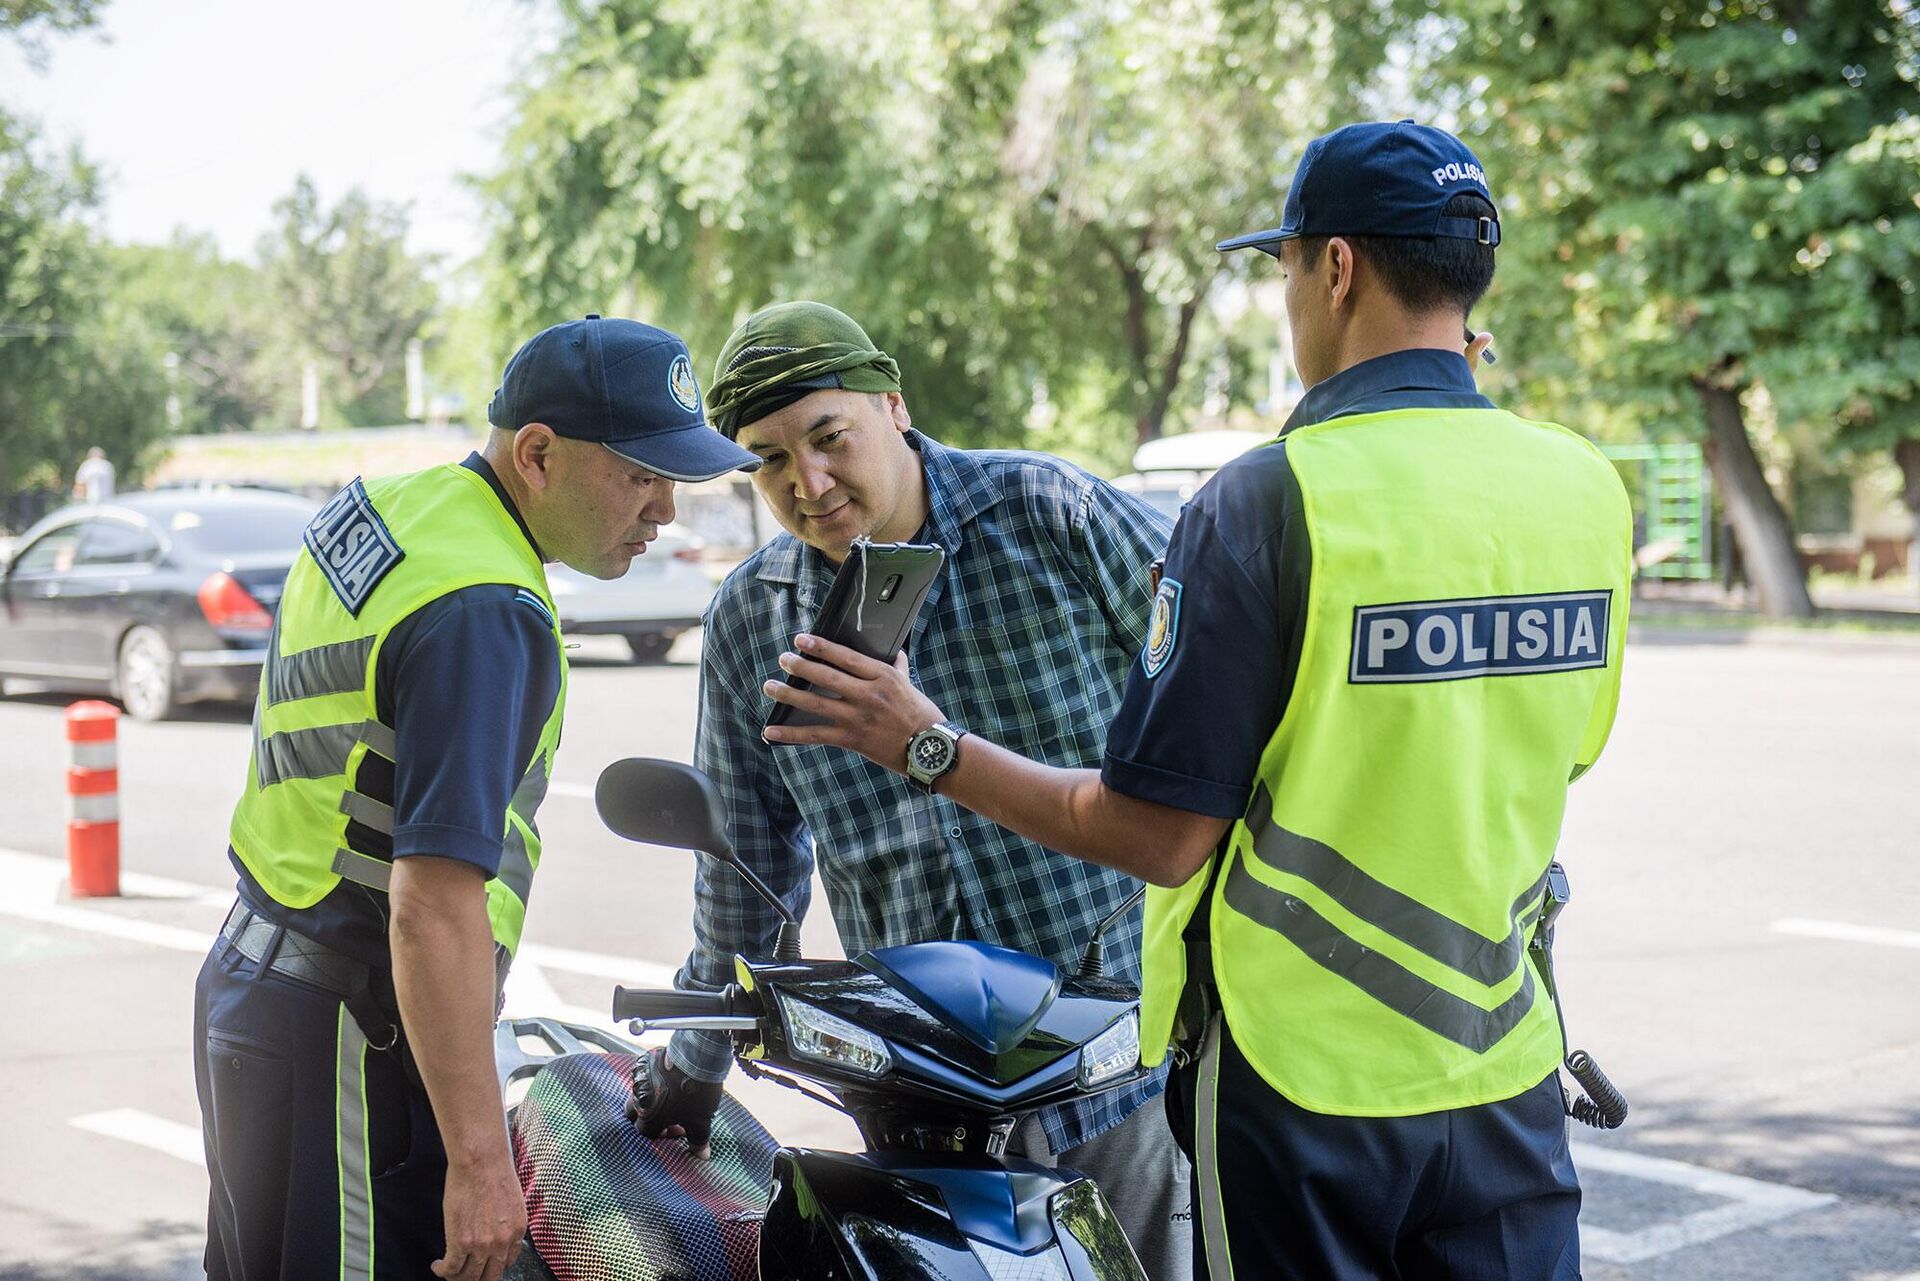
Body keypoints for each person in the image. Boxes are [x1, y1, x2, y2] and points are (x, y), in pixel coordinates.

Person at [756, 122, 1635, 1280]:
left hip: (1299, 1078)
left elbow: (1156, 836)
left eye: (1283, 267)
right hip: (1504, 1057)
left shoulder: (1269, 501)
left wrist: (925, 746)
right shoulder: (1580, 484)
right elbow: (1566, 752)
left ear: (1335, 268)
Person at [192, 315, 759, 1281]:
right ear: (536, 454)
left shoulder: (385, 508)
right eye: (640, 474)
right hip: (351, 1030)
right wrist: (480, 1159)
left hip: (258, 993)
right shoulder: (489, 609)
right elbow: (432, 907)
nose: (666, 507)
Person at [635, 300, 1193, 1277]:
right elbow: (748, 872)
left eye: (828, 437)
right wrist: (696, 1066)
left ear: (892, 404)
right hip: (918, 1114)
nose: (808, 483)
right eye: (768, 460)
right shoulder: (751, 621)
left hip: (1118, 1073)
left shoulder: (1053, 515)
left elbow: (1222, 692)